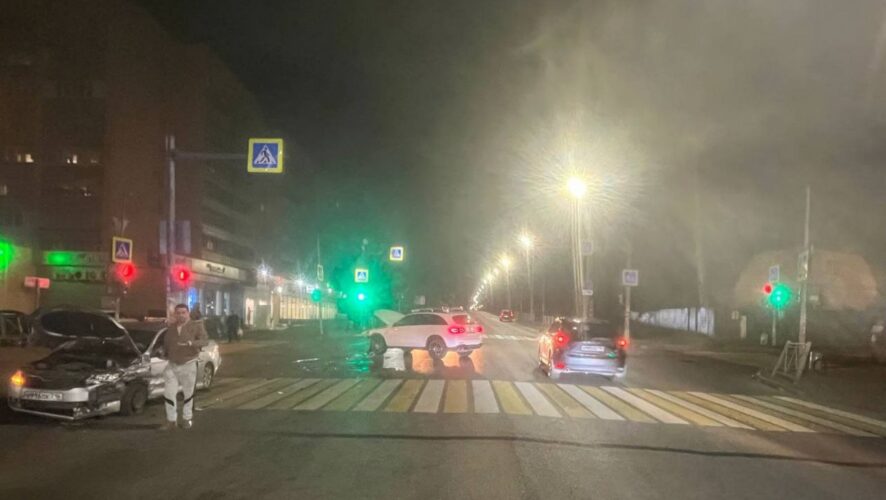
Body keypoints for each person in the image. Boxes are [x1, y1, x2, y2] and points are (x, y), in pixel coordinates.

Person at [160, 303, 209, 430]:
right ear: (175, 314)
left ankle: (187, 418)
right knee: (169, 393)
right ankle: (171, 420)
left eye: (183, 312)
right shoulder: (171, 328)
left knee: (188, 393)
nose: (181, 315)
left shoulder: (196, 326)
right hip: (172, 364)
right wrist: (163, 353)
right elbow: (166, 343)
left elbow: (205, 341)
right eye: (178, 313)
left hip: (189, 363)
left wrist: (191, 343)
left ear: (188, 313)